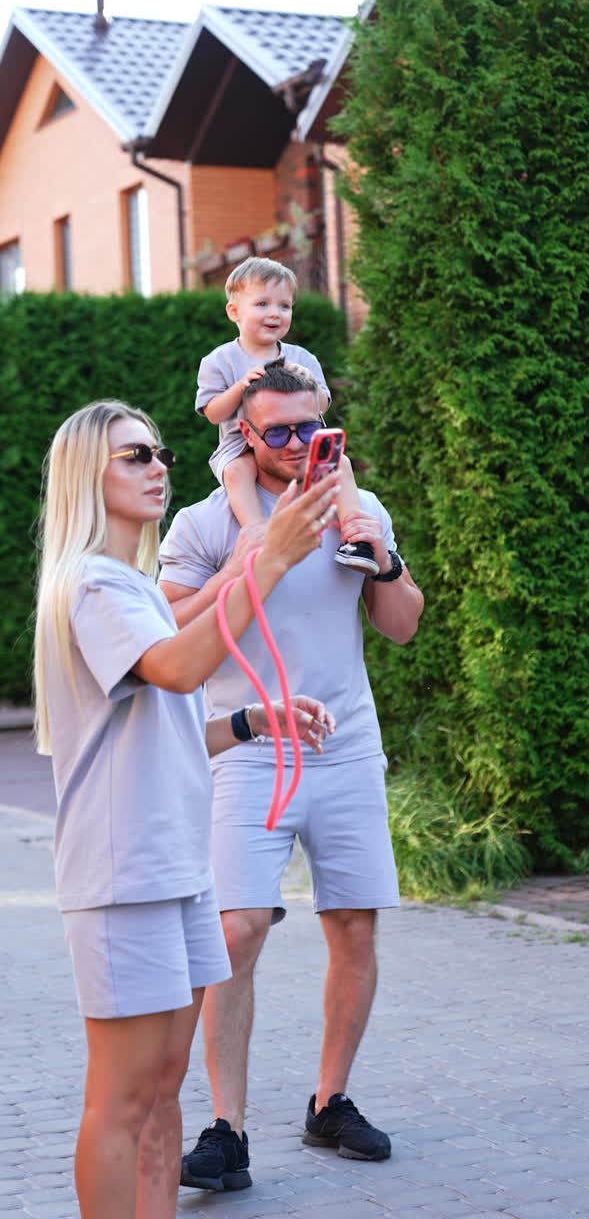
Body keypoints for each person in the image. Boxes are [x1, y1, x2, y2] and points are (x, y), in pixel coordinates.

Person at [33, 398, 339, 1219]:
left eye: (160, 452)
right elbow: (173, 665)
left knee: (165, 1094)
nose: (158, 465)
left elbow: (165, 726)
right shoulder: (91, 585)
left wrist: (253, 720)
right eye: (134, 455)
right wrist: (266, 561)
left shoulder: (128, 585)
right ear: (84, 474)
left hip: (176, 869)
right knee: (124, 1099)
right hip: (122, 876)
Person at [159, 365, 424, 1192]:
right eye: (278, 432)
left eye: (311, 429)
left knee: (354, 929)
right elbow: (160, 630)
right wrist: (247, 560)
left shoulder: (359, 506)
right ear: (245, 437)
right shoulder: (209, 520)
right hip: (248, 751)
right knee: (237, 930)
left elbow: (404, 626)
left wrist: (381, 563)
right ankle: (225, 1130)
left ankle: (330, 1102)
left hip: (345, 748)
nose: (299, 445)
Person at [196, 255, 379, 574]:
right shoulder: (220, 360)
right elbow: (213, 413)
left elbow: (322, 405)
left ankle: (355, 538)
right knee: (238, 472)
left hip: (301, 441)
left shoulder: (301, 357)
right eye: (262, 304)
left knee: (342, 463)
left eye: (284, 306)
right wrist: (240, 387)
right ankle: (258, 535)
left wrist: (306, 382)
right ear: (234, 311)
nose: (275, 313)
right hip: (241, 446)